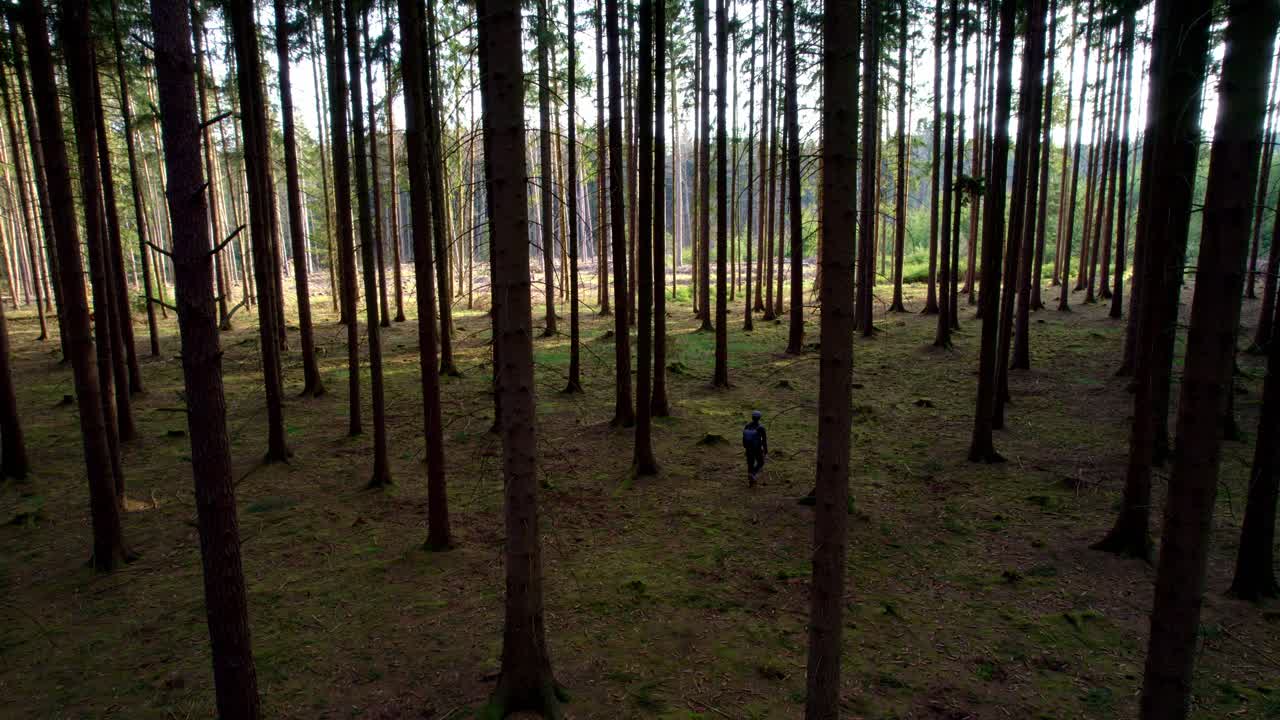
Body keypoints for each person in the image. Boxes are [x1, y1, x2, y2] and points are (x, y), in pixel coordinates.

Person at [742, 410, 768, 485]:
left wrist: (745, 447)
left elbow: (744, 437)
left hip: (748, 448)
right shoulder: (761, 428)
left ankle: (751, 481)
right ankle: (753, 474)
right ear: (759, 418)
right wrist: (766, 451)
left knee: (750, 463)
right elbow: (764, 441)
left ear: (752, 417)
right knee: (761, 462)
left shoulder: (747, 425)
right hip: (757, 449)